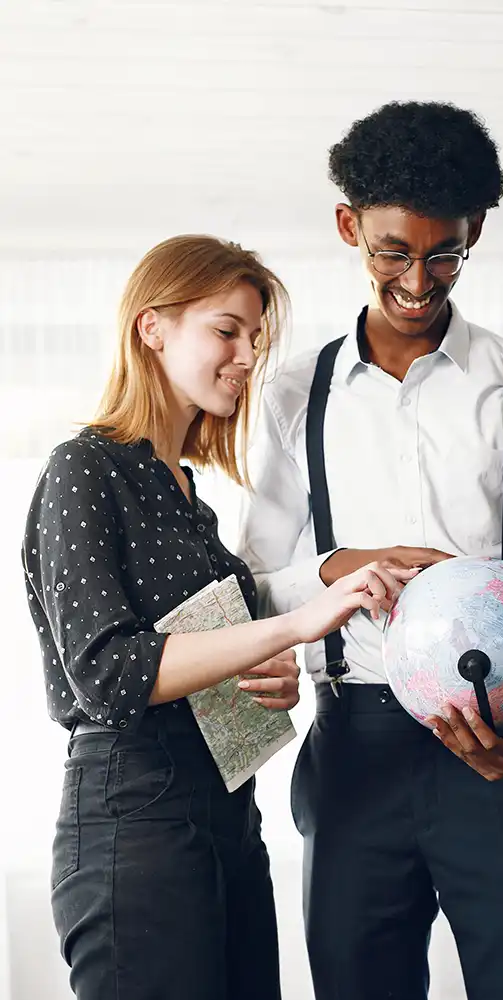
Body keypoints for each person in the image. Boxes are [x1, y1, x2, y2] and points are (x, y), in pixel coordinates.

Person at [237, 101, 503, 1000]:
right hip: (352, 746)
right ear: (349, 226)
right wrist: (337, 564)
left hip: (502, 741)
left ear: (475, 231)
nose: (419, 278)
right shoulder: (291, 394)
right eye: (394, 250)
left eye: (444, 252)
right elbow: (251, 590)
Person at [21, 234, 410, 1000]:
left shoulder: (189, 496)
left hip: (227, 814)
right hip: (133, 818)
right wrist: (298, 627)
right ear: (152, 327)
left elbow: (197, 653)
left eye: (254, 339)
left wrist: (261, 679)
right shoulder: (85, 467)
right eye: (225, 330)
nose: (245, 355)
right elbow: (108, 672)